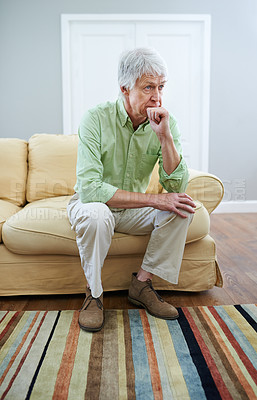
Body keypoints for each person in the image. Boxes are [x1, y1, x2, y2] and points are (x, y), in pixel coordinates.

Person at [67, 47, 196, 332]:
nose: (157, 97)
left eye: (161, 86)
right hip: (93, 205)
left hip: (132, 210)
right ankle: (94, 294)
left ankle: (141, 284)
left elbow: (176, 185)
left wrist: (165, 138)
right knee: (97, 215)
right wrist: (154, 200)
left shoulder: (165, 122)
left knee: (183, 207)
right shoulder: (95, 118)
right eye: (148, 87)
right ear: (125, 88)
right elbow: (90, 189)